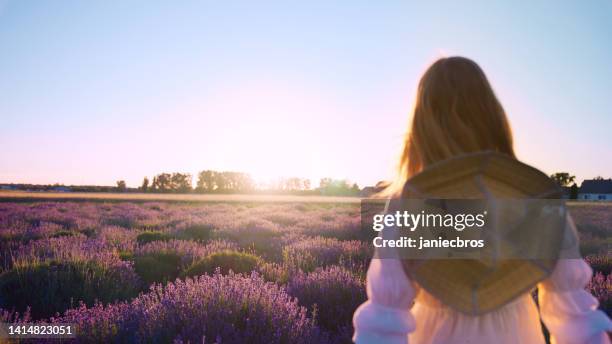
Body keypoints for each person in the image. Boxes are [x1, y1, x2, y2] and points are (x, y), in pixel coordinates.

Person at [352, 56, 612, 344]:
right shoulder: (534, 197)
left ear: (423, 123)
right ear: (492, 116)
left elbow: (384, 317)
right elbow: (572, 312)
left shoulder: (410, 202)